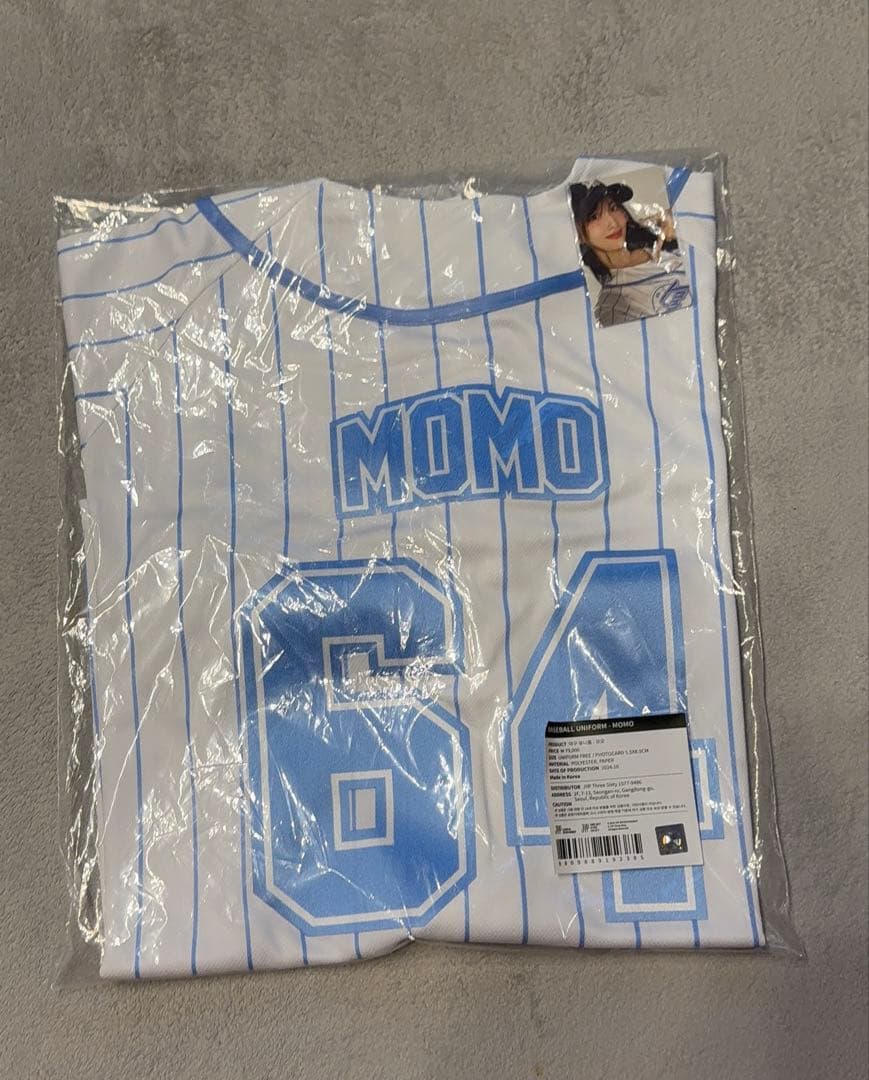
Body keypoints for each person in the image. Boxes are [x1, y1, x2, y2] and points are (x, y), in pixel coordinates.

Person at [570, 181, 692, 327]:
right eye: (594, 217)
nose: (613, 223)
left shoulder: (663, 236)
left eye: (613, 208)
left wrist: (681, 224)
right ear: (578, 235)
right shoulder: (614, 308)